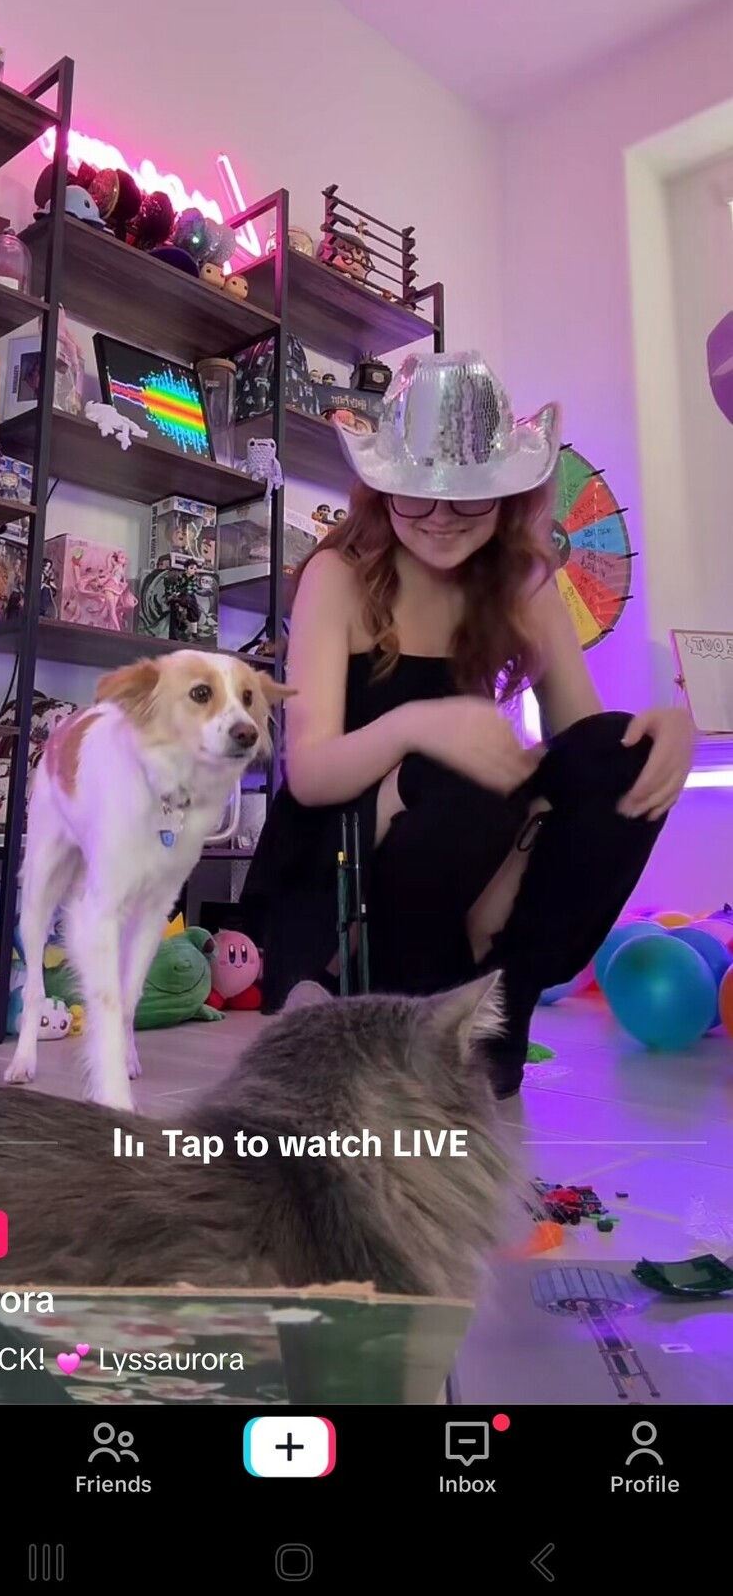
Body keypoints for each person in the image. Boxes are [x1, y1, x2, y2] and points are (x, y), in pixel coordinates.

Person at [239, 351, 694, 1097]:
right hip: (345, 849)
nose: (441, 517)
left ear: (507, 496)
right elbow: (310, 774)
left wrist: (663, 736)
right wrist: (420, 724)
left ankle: (503, 983)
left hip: (466, 845)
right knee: (456, 766)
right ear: (382, 487)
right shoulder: (338, 575)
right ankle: (390, 990)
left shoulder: (524, 581)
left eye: (468, 499)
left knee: (615, 755)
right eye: (416, 496)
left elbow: (584, 748)